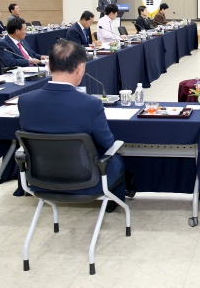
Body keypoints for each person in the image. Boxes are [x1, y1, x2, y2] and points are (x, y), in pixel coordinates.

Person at [18, 40, 128, 211]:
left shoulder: (25, 101)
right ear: (81, 68)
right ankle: (114, 202)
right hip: (87, 182)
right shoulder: (90, 104)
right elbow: (107, 144)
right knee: (116, 157)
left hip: (40, 180)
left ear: (49, 66)